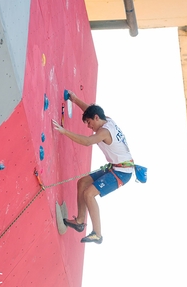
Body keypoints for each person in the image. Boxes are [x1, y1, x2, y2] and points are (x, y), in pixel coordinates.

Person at [52, 90, 134, 244]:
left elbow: (88, 142)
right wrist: (75, 100)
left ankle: (97, 234)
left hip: (123, 172)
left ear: (97, 118)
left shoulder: (104, 131)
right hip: (116, 167)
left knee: (89, 194)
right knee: (82, 183)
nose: (89, 127)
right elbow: (89, 110)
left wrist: (64, 131)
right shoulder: (107, 120)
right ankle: (80, 222)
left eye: (89, 122)